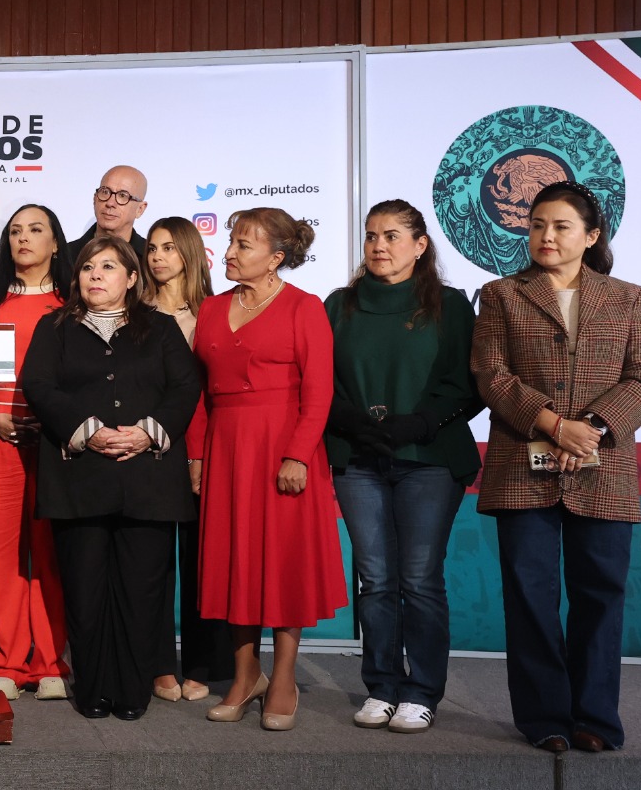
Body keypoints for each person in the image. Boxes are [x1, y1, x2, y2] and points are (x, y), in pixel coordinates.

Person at [471, 181, 641, 753]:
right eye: (536, 225)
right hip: (522, 467)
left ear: (591, 235)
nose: (545, 236)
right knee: (530, 596)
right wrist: (556, 426)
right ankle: (544, 718)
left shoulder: (626, 298)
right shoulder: (501, 295)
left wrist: (591, 429)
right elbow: (491, 375)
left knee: (601, 596)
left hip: (604, 467)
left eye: (560, 226)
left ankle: (595, 719)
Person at [21, 238, 202, 720]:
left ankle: (132, 690)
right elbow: (38, 384)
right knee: (85, 591)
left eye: (108, 266)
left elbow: (186, 386)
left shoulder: (160, 328)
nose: (95, 275)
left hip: (148, 479)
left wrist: (148, 433)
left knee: (141, 592)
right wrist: (87, 432)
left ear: (132, 277)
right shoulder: (54, 327)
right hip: (79, 478)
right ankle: (93, 689)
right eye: (87, 268)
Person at [325, 200, 482, 735]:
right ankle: (382, 685)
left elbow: (469, 384)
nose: (378, 246)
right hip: (358, 459)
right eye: (371, 235)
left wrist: (418, 423)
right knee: (375, 579)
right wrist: (351, 421)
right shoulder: (339, 305)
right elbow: (319, 380)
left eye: (392, 236)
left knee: (419, 579)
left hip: (429, 460)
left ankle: (421, 692)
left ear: (420, 246)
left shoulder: (450, 305)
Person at [192, 208, 347, 731]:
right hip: (226, 449)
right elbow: (200, 393)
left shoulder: (305, 308)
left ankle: (282, 678)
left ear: (276, 257)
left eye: (243, 245)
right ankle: (245, 675)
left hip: (283, 448)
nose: (229, 253)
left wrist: (298, 455)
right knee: (234, 559)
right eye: (232, 242)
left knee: (283, 562)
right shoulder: (212, 308)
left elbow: (319, 392)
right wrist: (196, 456)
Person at [0, 204, 74, 703]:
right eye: (15, 231)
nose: (23, 238)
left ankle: (50, 661)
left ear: (56, 243)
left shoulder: (74, 305)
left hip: (56, 445)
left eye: (36, 230)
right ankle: (7, 660)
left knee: (52, 554)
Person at [142, 215, 232, 703]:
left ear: (190, 253)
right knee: (152, 561)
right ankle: (158, 663)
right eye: (152, 248)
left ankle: (202, 663)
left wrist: (202, 453)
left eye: (169, 247)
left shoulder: (216, 311)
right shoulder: (133, 311)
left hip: (206, 449)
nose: (158, 256)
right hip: (150, 450)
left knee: (204, 560)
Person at [69, 165, 150, 259]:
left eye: (122, 195)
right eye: (105, 192)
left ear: (140, 209)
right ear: (95, 199)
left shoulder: (150, 259)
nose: (110, 203)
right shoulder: (65, 255)